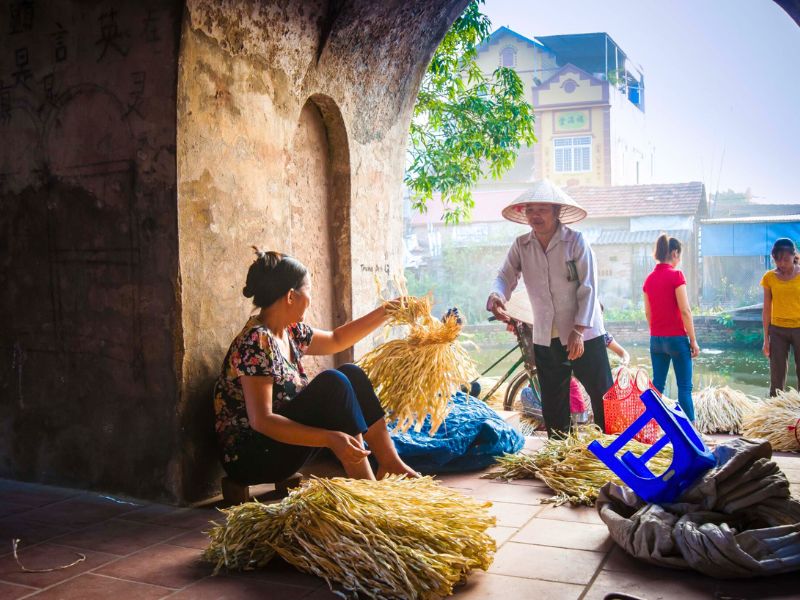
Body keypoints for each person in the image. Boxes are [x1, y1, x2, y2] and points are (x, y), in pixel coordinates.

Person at [213, 248, 418, 485]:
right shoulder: (256, 342)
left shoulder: (290, 331)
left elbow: (337, 339)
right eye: (308, 290)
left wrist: (387, 311)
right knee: (333, 383)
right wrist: (329, 438)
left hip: (282, 447)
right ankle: (370, 492)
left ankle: (391, 464)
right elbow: (262, 420)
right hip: (252, 458)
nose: (310, 298)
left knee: (351, 373)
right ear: (291, 296)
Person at [487, 180, 612, 438]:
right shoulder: (521, 245)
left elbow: (588, 287)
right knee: (554, 401)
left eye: (542, 209)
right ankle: (559, 454)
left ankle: (612, 448)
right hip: (545, 334)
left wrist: (578, 330)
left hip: (585, 334)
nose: (535, 215)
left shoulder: (576, 242)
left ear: (556, 212)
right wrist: (497, 295)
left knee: (602, 395)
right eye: (530, 210)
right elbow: (505, 275)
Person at [642, 234, 699, 420]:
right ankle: (692, 435)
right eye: (679, 255)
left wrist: (657, 332)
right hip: (676, 339)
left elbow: (648, 314)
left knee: (657, 386)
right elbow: (685, 311)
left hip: (656, 340)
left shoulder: (649, 280)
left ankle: (653, 427)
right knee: (684, 387)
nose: (679, 260)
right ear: (674, 253)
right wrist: (693, 340)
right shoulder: (676, 275)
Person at [760, 238, 800, 396]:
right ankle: (775, 411)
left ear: (793, 255)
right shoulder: (769, 277)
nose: (781, 263)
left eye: (785, 259)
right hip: (777, 331)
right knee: (777, 375)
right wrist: (766, 339)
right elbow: (767, 309)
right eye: (777, 259)